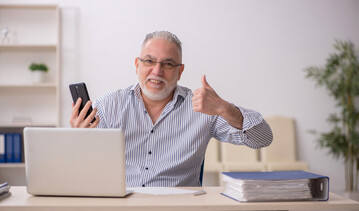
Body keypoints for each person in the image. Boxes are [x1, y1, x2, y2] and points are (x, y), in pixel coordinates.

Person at [70, 31, 273, 187]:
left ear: (180, 71)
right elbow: (81, 168)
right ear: (137, 65)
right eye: (149, 61)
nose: (157, 71)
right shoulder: (107, 106)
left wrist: (224, 108)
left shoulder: (203, 108)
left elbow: (262, 138)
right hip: (121, 209)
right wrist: (79, 139)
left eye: (168, 64)